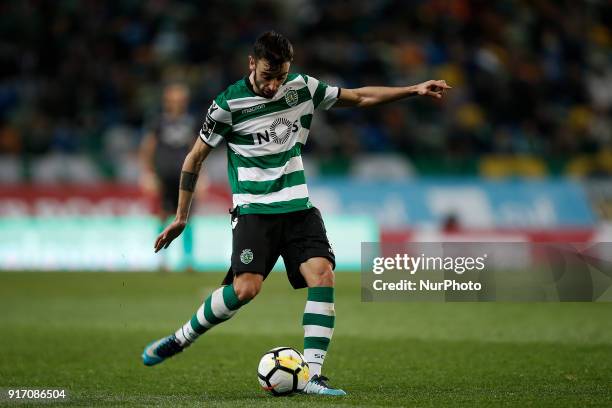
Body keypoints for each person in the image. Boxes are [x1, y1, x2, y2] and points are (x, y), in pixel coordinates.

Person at [142, 31, 450, 395]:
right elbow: (195, 157)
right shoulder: (226, 105)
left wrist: (412, 89)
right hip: (254, 211)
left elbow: (360, 95)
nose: (274, 85)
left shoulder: (302, 88)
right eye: (268, 75)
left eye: (281, 76)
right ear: (251, 64)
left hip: (298, 207)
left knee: (323, 275)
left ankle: (313, 375)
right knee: (245, 289)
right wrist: (181, 215)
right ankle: (182, 337)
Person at [139, 83, 199, 271]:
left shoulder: (191, 121)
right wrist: (148, 173)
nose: (177, 104)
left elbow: (197, 149)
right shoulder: (158, 122)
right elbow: (148, 148)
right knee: (163, 216)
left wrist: (201, 176)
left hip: (186, 176)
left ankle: (188, 259)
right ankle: (162, 259)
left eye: (181, 100)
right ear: (167, 101)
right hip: (164, 175)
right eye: (174, 100)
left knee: (187, 216)